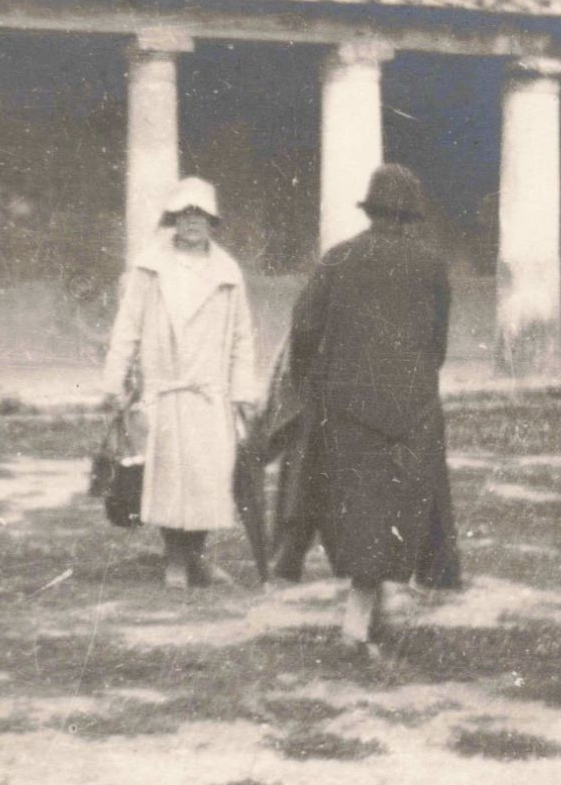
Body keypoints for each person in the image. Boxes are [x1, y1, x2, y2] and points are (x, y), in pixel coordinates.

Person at [288, 163, 461, 660]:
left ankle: (361, 619)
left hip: (347, 407)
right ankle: (362, 619)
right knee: (397, 508)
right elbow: (438, 343)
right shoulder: (431, 265)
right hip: (412, 407)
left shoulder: (339, 259)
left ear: (372, 211)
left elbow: (304, 330)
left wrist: (309, 381)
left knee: (358, 510)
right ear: (410, 216)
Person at [102, 177, 261, 590]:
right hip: (164, 388)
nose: (192, 222)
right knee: (168, 480)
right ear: (174, 219)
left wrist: (242, 391)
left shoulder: (227, 272)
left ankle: (197, 556)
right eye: (185, 214)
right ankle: (176, 560)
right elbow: (128, 324)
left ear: (212, 221)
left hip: (209, 392)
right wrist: (114, 378)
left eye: (201, 215)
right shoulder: (150, 266)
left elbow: (243, 335)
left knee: (208, 479)